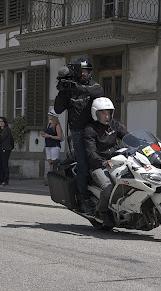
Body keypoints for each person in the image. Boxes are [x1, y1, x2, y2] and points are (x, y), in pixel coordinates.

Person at [54, 57, 105, 213]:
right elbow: (57, 109)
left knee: (105, 160)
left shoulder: (93, 85)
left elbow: (98, 92)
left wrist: (75, 87)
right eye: (82, 71)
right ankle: (84, 199)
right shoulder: (68, 89)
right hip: (78, 132)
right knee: (83, 166)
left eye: (87, 71)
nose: (84, 73)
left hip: (96, 131)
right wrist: (63, 90)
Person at [84, 97, 128, 227]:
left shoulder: (113, 125)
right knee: (108, 187)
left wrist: (142, 144)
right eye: (103, 113)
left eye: (108, 112)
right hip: (99, 166)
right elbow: (91, 152)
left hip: (117, 161)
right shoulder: (90, 130)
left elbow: (126, 136)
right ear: (95, 113)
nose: (107, 116)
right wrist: (103, 162)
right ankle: (102, 211)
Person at [0, 116, 13, 186]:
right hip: (0, 149)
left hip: (5, 149)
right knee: (0, 165)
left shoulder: (6, 130)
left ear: (5, 123)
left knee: (4, 165)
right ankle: (1, 180)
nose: (1, 123)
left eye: (2, 122)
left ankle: (5, 181)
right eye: (0, 122)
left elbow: (1, 138)